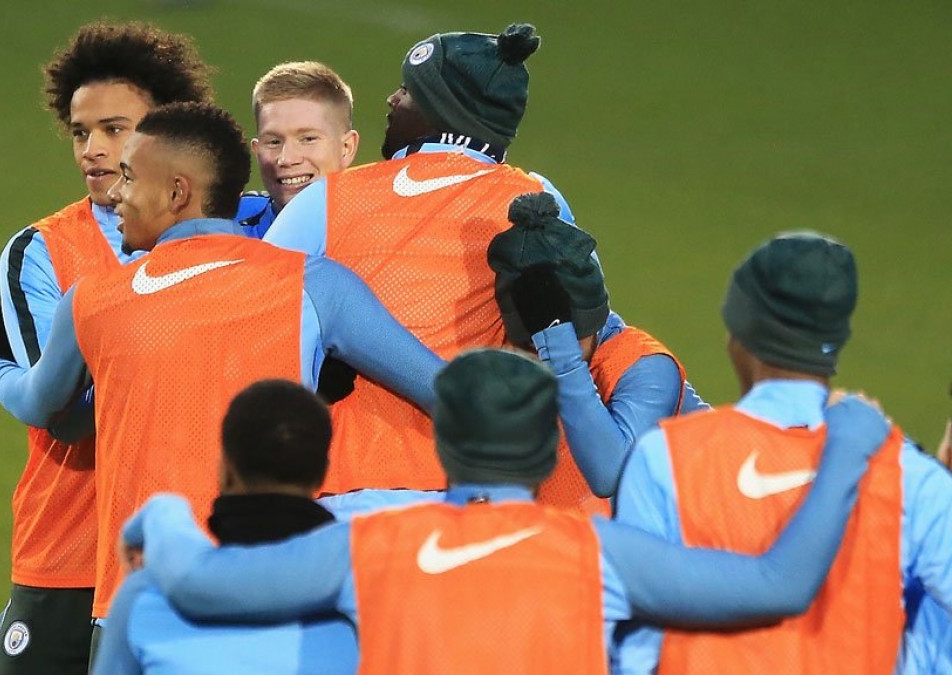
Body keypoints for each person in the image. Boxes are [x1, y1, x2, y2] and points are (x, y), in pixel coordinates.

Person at [125, 348, 892, 675]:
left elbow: (196, 582)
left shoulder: (369, 543)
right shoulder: (603, 552)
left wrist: (157, 512)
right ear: (549, 449)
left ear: (445, 440)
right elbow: (780, 584)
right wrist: (846, 451)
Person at [0, 102, 444, 624]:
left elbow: (47, 410)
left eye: (130, 177)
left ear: (177, 193)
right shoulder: (316, 286)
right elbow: (447, 391)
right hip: (278, 599)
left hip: (143, 607)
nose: (115, 194)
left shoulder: (92, 301)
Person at [262, 23, 583, 493]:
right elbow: (578, 329)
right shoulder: (535, 199)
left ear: (443, 110)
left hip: (339, 485)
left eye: (409, 91)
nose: (393, 99)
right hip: (472, 486)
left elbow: (250, 322)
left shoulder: (327, 198)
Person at [611, 232, 952, 674]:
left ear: (738, 335)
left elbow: (635, 652)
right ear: (837, 339)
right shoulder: (908, 475)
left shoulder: (665, 458)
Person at [0, 21, 211, 675]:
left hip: (194, 549)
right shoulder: (42, 251)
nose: (92, 150)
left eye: (114, 129)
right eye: (81, 132)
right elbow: (64, 414)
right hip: (70, 552)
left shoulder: (237, 234)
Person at [91, 379, 358, 674]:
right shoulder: (365, 590)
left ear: (224, 472)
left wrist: (162, 512)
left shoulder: (143, 598)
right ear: (322, 473)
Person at [489, 192, 707, 515]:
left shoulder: (646, 366)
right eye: (529, 345)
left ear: (592, 322)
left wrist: (562, 356)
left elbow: (609, 475)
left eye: (562, 339)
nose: (540, 354)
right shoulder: (506, 351)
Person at [233, 61, 359, 239]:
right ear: (257, 150)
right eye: (274, 142)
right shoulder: (221, 223)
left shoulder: (385, 232)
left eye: (308, 139)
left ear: (346, 148)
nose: (287, 159)